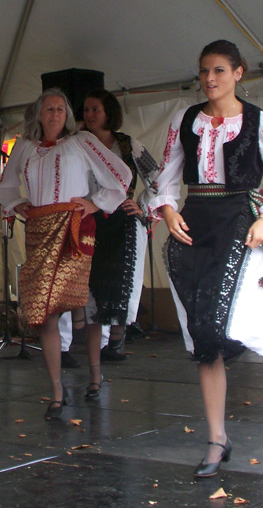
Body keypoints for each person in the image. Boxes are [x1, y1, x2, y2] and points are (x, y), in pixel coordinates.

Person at [148, 40, 263, 477]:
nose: (210, 79)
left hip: (241, 221)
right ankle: (217, 438)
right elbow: (165, 177)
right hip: (195, 222)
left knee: (228, 323)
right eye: (204, 71)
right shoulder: (185, 121)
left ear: (239, 74)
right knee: (204, 334)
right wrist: (167, 207)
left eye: (219, 70)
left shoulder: (262, 122)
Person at [0, 88, 132, 419]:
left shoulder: (82, 142)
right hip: (39, 230)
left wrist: (94, 202)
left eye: (60, 109)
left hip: (74, 229)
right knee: (45, 311)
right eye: (49, 109)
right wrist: (18, 204)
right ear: (38, 114)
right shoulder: (24, 147)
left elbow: (120, 176)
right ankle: (56, 393)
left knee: (81, 305)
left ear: (67, 115)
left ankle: (95, 376)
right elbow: (6, 185)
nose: (55, 114)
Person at [59, 89, 159, 374]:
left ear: (108, 113)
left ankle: (116, 341)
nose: (90, 115)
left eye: (96, 110)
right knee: (88, 279)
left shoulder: (127, 145)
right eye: (87, 110)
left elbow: (157, 177)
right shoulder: (76, 143)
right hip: (88, 218)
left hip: (123, 221)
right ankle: (88, 339)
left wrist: (143, 207)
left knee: (121, 280)